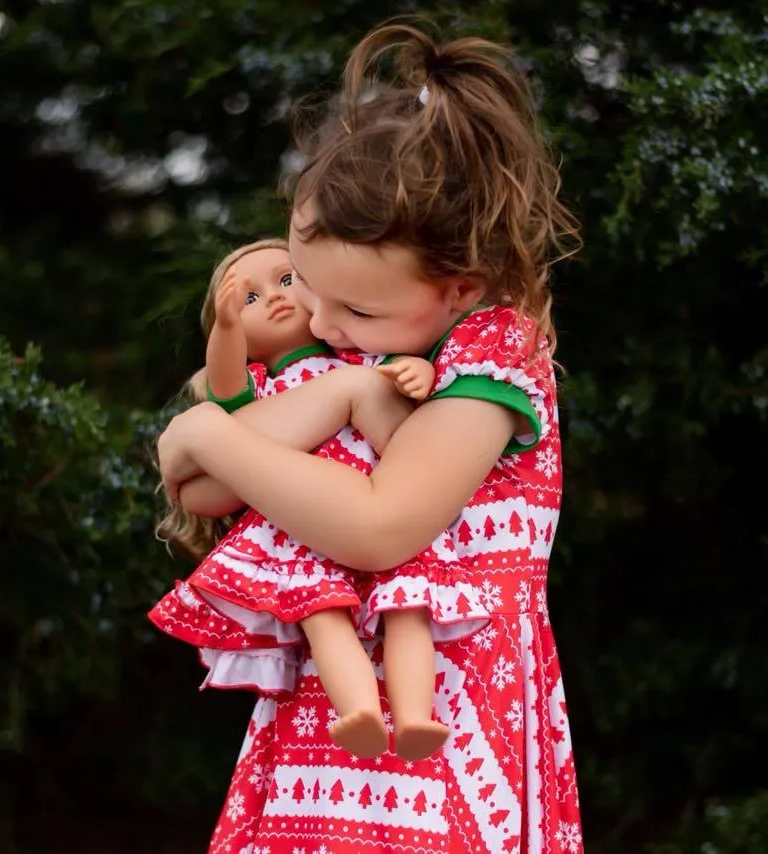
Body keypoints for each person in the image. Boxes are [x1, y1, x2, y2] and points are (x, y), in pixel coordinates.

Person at [157, 19, 585, 853]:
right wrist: (208, 433)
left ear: (460, 286)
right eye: (310, 292)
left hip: (451, 731)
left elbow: (382, 524)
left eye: (355, 310)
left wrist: (216, 428)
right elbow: (197, 476)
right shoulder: (362, 352)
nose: (322, 323)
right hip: (333, 727)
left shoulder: (496, 355)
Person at [150, 238, 460, 761]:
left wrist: (421, 373)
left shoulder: (360, 355)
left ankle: (414, 718)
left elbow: (413, 392)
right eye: (249, 298)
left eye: (287, 279)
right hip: (306, 523)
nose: (273, 297)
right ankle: (358, 711)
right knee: (322, 614)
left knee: (409, 606)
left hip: (385, 502)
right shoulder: (255, 389)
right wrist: (227, 327)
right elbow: (223, 387)